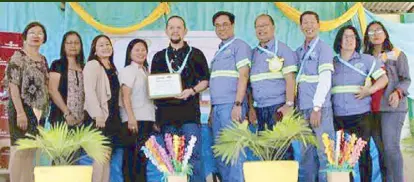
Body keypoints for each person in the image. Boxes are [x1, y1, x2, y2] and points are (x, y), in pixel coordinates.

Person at [150, 15, 210, 182]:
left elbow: (205, 81)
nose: (175, 31)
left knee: (194, 156)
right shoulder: (158, 57)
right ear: (166, 31)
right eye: (171, 27)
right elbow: (153, 87)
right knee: (170, 159)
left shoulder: (196, 54)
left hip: (189, 115)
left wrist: (192, 90)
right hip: (166, 117)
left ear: (185, 31)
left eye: (178, 27)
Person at [331, 25, 388, 182]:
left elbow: (383, 79)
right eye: (345, 37)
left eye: (352, 37)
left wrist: (369, 91)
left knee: (363, 154)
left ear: (357, 41)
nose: (349, 40)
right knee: (342, 157)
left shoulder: (367, 60)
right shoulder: (331, 63)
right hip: (338, 117)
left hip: (361, 116)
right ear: (339, 41)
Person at [364, 21, 411, 182]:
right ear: (366, 37)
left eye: (378, 30)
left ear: (385, 33)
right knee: (382, 151)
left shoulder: (397, 54)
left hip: (392, 108)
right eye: (371, 32)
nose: (375, 34)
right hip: (372, 109)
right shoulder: (365, 57)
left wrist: (398, 93)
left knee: (391, 148)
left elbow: (406, 79)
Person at [210, 11, 252, 182]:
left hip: (232, 106)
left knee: (235, 153)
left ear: (233, 25)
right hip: (218, 108)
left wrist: (238, 104)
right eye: (218, 25)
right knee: (222, 154)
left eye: (225, 24)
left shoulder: (239, 45)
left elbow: (243, 76)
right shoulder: (219, 50)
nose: (221, 28)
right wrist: (213, 110)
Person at [5, 21, 49, 182]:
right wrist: (21, 113)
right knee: (19, 151)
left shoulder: (43, 59)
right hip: (21, 109)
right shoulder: (18, 57)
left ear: (44, 38)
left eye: (40, 33)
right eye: (32, 32)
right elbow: (13, 86)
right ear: (25, 36)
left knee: (31, 152)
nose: (36, 36)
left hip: (39, 113)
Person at [295, 11, 335, 182]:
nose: (308, 26)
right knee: (306, 155)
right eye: (305, 22)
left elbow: (325, 80)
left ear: (319, 25)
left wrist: (317, 107)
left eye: (312, 22)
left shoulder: (323, 49)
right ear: (300, 27)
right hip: (302, 109)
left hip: (320, 109)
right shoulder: (298, 51)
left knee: (325, 153)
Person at [250, 14, 297, 159]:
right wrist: (251, 109)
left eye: (265, 25)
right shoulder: (253, 54)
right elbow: (249, 85)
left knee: (282, 150)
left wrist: (289, 105)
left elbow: (290, 79)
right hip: (260, 110)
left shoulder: (283, 50)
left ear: (273, 28)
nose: (261, 29)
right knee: (265, 153)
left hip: (278, 108)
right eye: (258, 26)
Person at [83, 34, 122, 182]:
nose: (105, 47)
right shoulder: (93, 65)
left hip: (112, 118)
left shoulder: (112, 67)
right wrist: (97, 114)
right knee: (99, 159)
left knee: (106, 158)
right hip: (99, 118)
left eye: (108, 44)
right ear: (94, 50)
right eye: (101, 45)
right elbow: (89, 90)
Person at [119, 38, 155, 182]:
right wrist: (131, 117)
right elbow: (125, 96)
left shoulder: (146, 71)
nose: (141, 53)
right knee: (131, 159)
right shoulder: (128, 70)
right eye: (137, 50)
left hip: (146, 119)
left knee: (142, 159)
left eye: (143, 50)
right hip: (133, 120)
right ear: (130, 53)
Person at [49, 31, 85, 127]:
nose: (73, 46)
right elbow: (52, 90)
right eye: (69, 43)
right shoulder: (57, 64)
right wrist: (67, 113)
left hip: (82, 121)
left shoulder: (85, 67)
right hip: (62, 117)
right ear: (63, 46)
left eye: (76, 43)